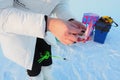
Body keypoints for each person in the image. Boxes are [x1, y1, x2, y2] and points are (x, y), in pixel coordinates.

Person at [0, 0, 86, 80]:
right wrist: (49, 24)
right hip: (19, 32)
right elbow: (2, 13)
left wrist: (68, 19)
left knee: (47, 59)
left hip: (45, 31)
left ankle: (48, 77)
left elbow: (60, 3)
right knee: (34, 66)